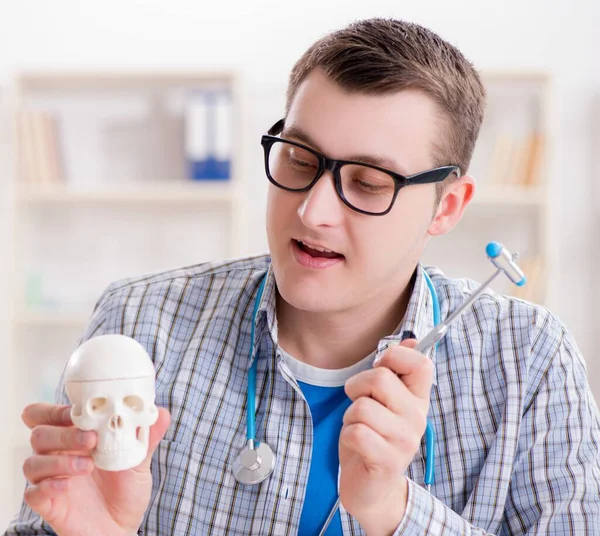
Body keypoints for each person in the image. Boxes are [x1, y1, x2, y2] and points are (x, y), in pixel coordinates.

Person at [6, 17, 600, 536]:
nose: (312, 211)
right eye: (298, 158)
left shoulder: (531, 365)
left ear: (446, 207)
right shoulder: (138, 326)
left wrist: (394, 512)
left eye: (368, 183)